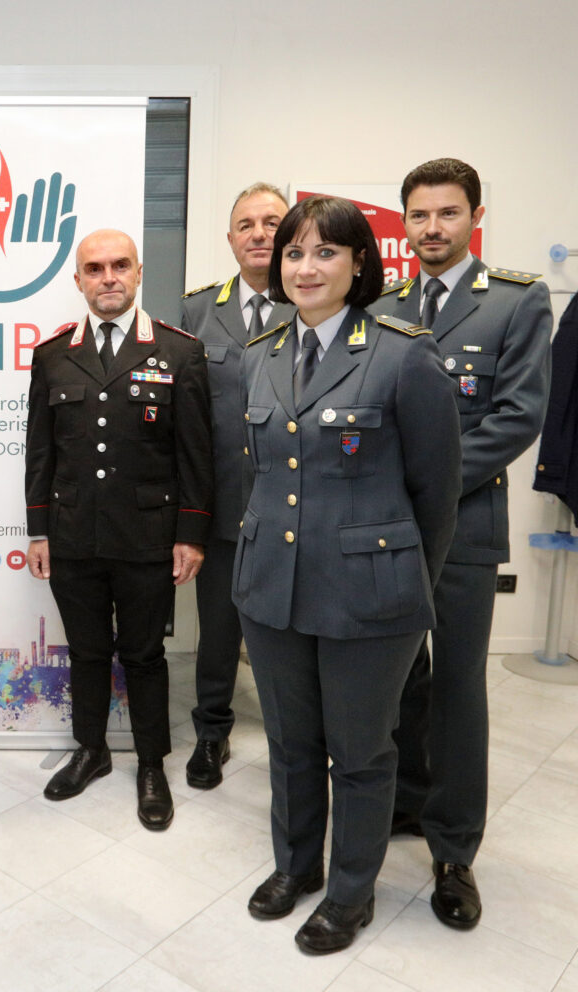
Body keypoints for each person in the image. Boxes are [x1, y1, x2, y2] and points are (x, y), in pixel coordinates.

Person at [236, 195, 460, 954]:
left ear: (360, 261)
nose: (305, 267)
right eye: (293, 252)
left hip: (370, 597)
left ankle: (350, 892)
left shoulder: (402, 353)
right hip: (272, 585)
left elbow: (435, 494)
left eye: (325, 252)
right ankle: (295, 867)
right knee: (292, 744)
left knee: (361, 753)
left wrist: (405, 588)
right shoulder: (260, 353)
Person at [369, 158, 551, 929]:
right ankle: (408, 805)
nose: (432, 229)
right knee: (399, 676)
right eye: (419, 216)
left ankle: (453, 849)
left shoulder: (515, 301)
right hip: (390, 532)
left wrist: (428, 486)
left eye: (447, 213)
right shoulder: (384, 304)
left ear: (476, 216)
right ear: (404, 224)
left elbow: (516, 416)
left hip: (466, 526)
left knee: (457, 686)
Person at [25, 228, 212, 831]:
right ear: (77, 280)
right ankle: (92, 750)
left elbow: (195, 455)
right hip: (74, 532)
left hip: (148, 535)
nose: (108, 277)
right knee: (86, 651)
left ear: (138, 275)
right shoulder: (53, 354)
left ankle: (151, 761)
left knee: (144, 654)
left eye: (120, 266)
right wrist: (38, 530)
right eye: (95, 268)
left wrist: (191, 534)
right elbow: (40, 451)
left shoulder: (180, 352)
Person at [179, 182, 293, 789]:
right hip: (222, 504)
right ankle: (211, 732)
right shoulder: (197, 311)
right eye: (246, 224)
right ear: (229, 238)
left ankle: (294, 737)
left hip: (293, 507)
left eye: (272, 222)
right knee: (217, 630)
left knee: (289, 631)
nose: (259, 233)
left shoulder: (314, 304)